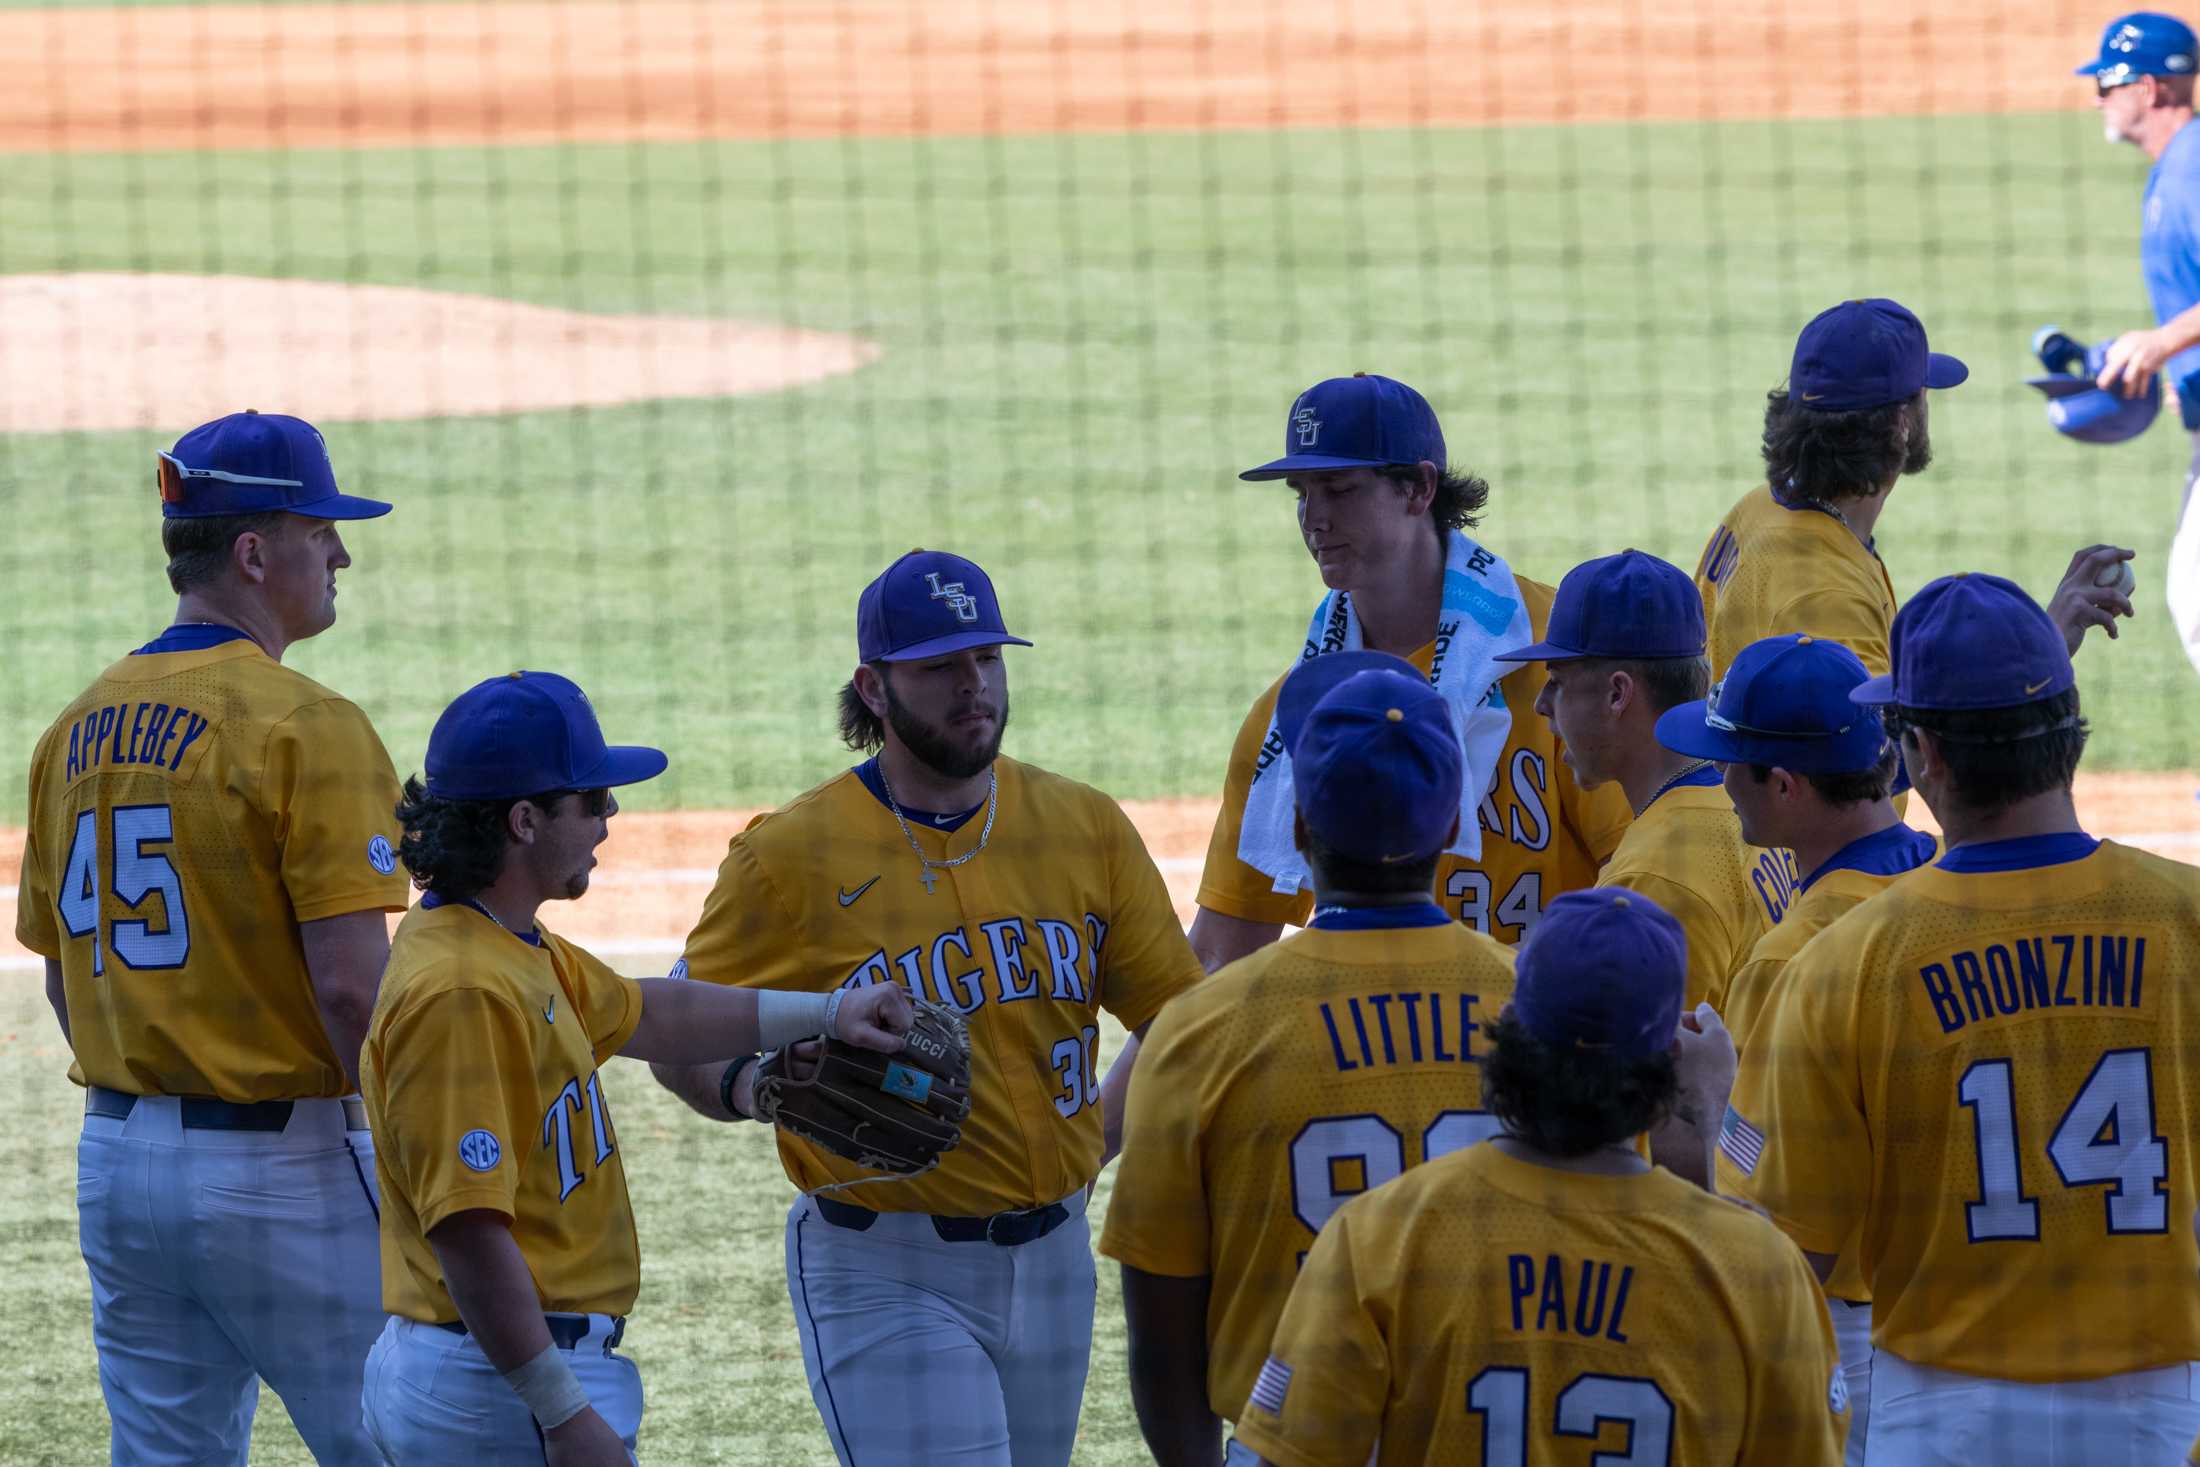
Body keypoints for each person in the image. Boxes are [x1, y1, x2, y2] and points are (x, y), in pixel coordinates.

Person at [648, 549, 1205, 1467]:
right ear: (873, 686)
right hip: (885, 1267)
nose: (973, 685)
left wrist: (1090, 1144)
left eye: (987, 658)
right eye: (941, 666)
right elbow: (674, 1029)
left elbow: (1181, 1027)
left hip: (1058, 1259)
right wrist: (754, 1087)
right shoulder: (788, 856)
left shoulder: (1084, 825)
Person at [358, 671, 914, 1466]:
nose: (611, 818)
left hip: (501, 1373)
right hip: (498, 1386)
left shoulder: (502, 940)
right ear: (523, 820)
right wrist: (560, 1411)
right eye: (590, 800)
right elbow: (469, 1232)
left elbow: (654, 1011)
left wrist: (828, 1011)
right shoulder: (461, 990)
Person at [1726, 573, 2200, 1462]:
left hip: (1943, 1420)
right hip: (2159, 1414)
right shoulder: (2188, 921)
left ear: (1925, 756)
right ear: (2073, 728)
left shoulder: (1842, 963)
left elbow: (1779, 1259)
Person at [13, 410, 405, 1465]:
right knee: (404, 1441)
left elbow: (62, 978)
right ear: (252, 551)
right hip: (287, 1173)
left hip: (117, 1166)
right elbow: (355, 994)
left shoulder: (73, 728)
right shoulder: (304, 723)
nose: (340, 552)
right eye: (319, 528)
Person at [1232, 888, 1847, 1467]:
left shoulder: (1382, 1235)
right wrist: (1712, 1114)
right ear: (1668, 1062)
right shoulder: (1758, 1269)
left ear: (1507, 1034)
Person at [1100, 651, 1520, 1467]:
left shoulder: (1198, 1030)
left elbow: (1162, 1340)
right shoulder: (1535, 1006)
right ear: (1447, 825)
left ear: (1297, 829)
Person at [1192, 373, 1631, 967]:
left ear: (1419, 489)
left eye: (1339, 489)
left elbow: (1642, 889)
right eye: (1301, 492)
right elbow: (1221, 953)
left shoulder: (1554, 654)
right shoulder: (1291, 716)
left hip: (1549, 1031)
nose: (1313, 519)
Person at [1656, 632, 1937, 1466]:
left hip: (1836, 1324)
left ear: (1783, 785)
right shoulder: (1945, 878)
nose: (1719, 783)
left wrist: (1701, 1100)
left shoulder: (1793, 955)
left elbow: (1757, 1219)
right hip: (1951, 1299)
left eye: (1728, 763)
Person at [1695, 298, 2133, 679]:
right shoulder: (1827, 597)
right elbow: (1884, 764)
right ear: (1901, 424)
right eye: (1922, 393)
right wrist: (2047, 645)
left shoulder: (1757, 509)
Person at [1494, 549, 1791, 1014]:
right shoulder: (1741, 804)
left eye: (1556, 681)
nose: (1541, 704)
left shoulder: (1657, 874)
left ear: (1617, 694)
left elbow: (1652, 1067)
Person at [2083, 11, 2200, 674]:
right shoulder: (2178, 167)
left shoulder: (2192, 168)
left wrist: (2161, 343)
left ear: (2151, 88)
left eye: (2108, 80)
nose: (2098, 95)